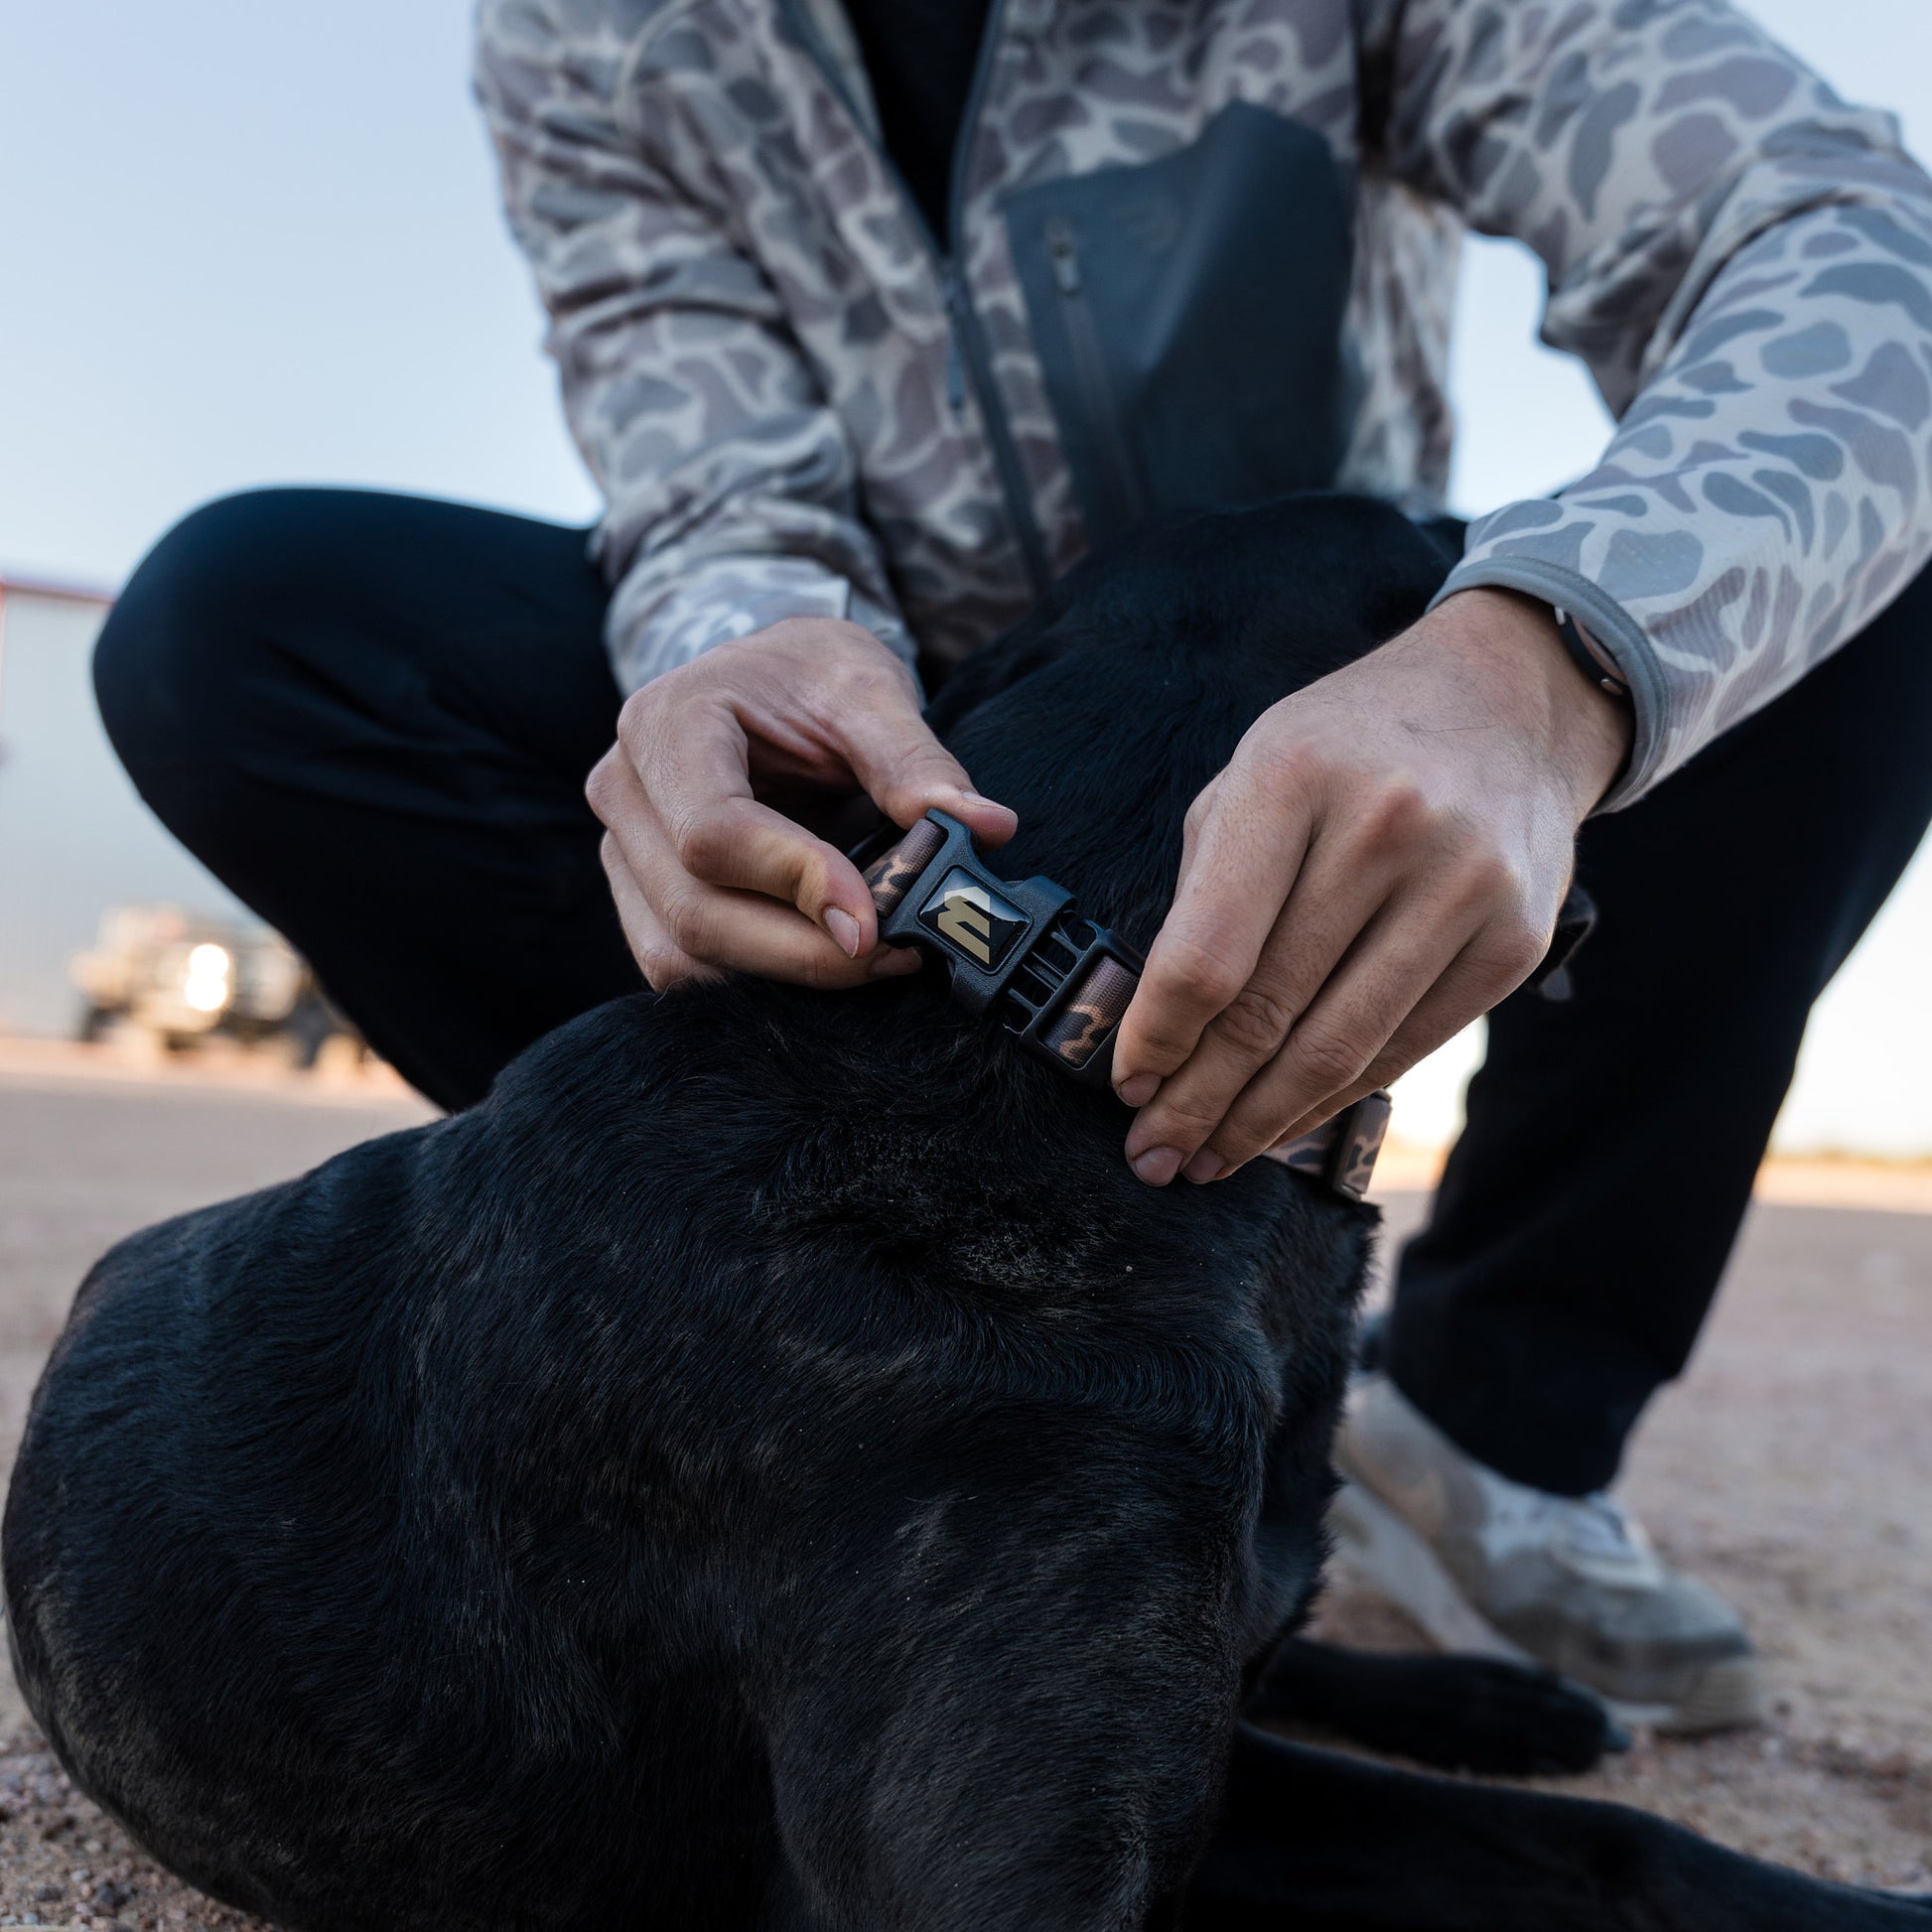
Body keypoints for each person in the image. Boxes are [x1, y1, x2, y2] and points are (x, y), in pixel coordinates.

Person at [92, 0, 1932, 1733]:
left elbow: (1853, 240)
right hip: (912, 743)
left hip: (1316, 678)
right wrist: (740, 651)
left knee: (1842, 565)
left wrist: (1543, 661)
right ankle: (789, 1346)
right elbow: (706, 442)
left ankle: (1490, 1416)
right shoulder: (582, 25)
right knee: (248, 631)